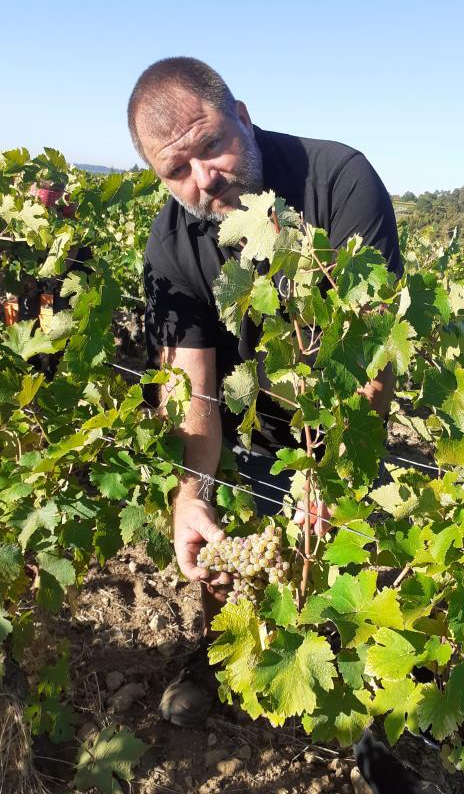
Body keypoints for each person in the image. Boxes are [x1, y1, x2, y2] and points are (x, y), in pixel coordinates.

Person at [127, 57, 402, 726]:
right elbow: (192, 389)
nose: (203, 178)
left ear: (243, 116)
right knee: (231, 555)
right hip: (250, 420)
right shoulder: (170, 247)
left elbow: (371, 355)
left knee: (338, 566)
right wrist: (191, 494)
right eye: (175, 170)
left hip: (337, 417)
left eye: (213, 145)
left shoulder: (339, 182)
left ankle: (361, 691)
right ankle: (228, 662)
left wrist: (330, 473)